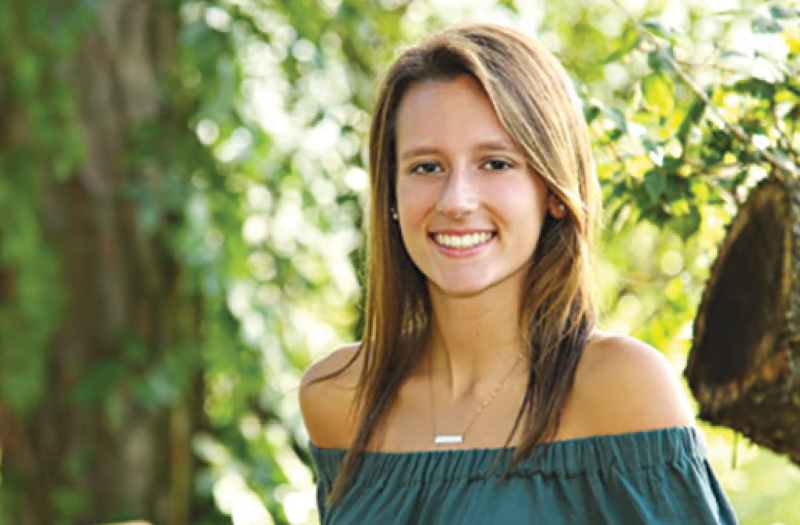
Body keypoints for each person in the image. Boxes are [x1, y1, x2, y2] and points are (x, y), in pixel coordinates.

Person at [299, 23, 738, 524]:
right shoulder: (337, 397)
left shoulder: (622, 389)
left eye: (495, 163)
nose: (456, 201)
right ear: (391, 195)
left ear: (552, 190)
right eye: (426, 167)